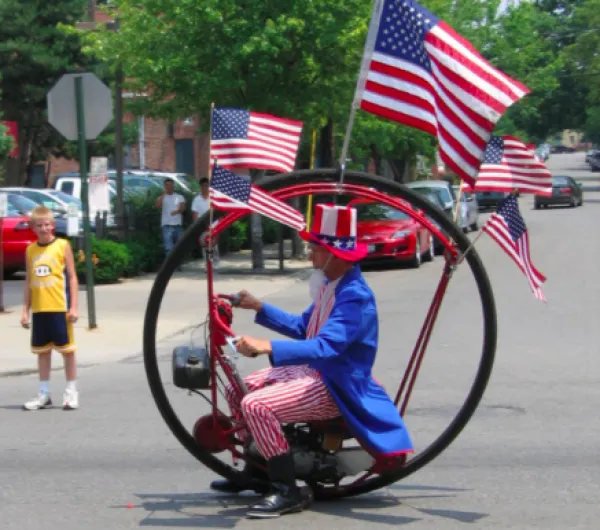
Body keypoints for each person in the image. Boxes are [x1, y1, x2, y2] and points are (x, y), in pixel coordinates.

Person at [210, 203, 414, 519]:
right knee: (240, 388)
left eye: (315, 249)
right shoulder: (333, 286)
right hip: (317, 372)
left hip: (336, 384)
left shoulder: (354, 297)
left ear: (335, 254)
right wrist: (258, 306)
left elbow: (325, 347)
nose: (309, 256)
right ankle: (258, 468)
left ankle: (286, 490)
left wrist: (267, 347)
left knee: (257, 405)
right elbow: (304, 327)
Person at [21, 206, 80, 411]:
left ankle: (71, 391)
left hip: (59, 307)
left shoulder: (62, 245)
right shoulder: (30, 250)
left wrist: (73, 307)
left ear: (53, 225)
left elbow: (72, 276)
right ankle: (44, 393)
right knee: (43, 352)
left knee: (67, 351)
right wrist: (25, 310)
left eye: (47, 224)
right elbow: (29, 280)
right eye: (40, 225)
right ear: (33, 228)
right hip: (39, 309)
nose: (44, 229)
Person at [155, 178, 186, 259]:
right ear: (165, 186)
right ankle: (170, 266)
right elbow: (157, 205)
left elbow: (182, 208)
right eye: (167, 185)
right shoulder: (162, 197)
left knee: (179, 247)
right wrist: (163, 195)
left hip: (177, 225)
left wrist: (176, 211)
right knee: (169, 248)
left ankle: (178, 264)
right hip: (166, 225)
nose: (169, 187)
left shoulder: (179, 197)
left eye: (171, 185)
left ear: (173, 186)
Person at [192, 177, 219, 268]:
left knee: (214, 246)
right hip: (202, 226)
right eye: (204, 186)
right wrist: (196, 225)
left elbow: (217, 211)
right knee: (205, 247)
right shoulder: (196, 199)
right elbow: (195, 213)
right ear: (201, 187)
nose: (205, 188)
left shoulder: (213, 198)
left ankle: (216, 264)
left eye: (207, 186)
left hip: (213, 225)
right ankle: (207, 265)